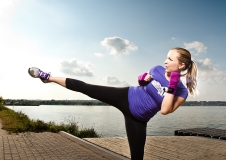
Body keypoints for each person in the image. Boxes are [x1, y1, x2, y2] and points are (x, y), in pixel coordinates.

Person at [28, 47, 198, 160]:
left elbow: (165, 110)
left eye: (170, 59)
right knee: (86, 88)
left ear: (181, 65)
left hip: (138, 120)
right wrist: (143, 79)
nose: (165, 61)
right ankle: (47, 77)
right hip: (125, 95)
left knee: (137, 156)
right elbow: (142, 85)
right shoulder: (157, 69)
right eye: (166, 57)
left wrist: (173, 84)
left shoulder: (182, 92)